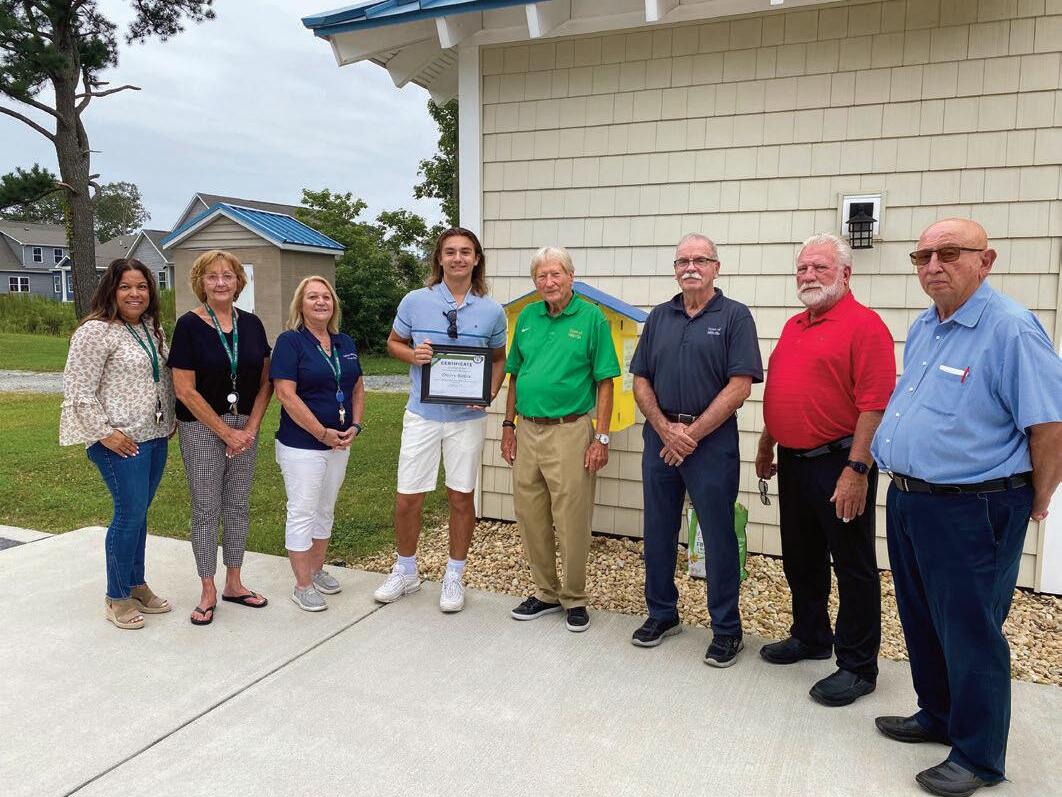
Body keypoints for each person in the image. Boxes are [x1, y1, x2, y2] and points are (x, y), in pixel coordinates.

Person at [871, 218, 1062, 797]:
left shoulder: (1011, 329)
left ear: (986, 260)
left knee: (971, 629)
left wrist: (1038, 497)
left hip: (974, 506)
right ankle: (938, 714)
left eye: (950, 253)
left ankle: (979, 757)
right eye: (923, 256)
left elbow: (1049, 427)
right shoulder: (926, 326)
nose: (934, 266)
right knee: (922, 617)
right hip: (910, 499)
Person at [755, 233, 895, 706]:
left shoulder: (865, 326)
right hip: (794, 463)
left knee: (853, 565)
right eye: (802, 268)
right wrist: (767, 443)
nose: (808, 276)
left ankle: (858, 666)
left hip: (841, 463)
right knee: (800, 556)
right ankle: (811, 635)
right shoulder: (794, 325)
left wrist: (857, 469)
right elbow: (784, 391)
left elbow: (875, 406)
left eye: (820, 267)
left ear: (846, 274)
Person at [629, 233, 762, 666]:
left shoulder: (735, 316)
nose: (691, 267)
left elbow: (739, 386)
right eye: (683, 260)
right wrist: (665, 429)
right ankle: (662, 614)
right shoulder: (659, 316)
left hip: (712, 442)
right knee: (658, 530)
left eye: (700, 260)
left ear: (715, 267)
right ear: (675, 269)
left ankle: (726, 630)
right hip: (661, 437)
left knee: (717, 534)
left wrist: (691, 435)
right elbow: (641, 379)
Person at [374, 228, 507, 613]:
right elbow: (393, 342)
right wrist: (411, 355)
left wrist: (488, 393)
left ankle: (454, 574)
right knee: (408, 496)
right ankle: (406, 570)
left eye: (466, 252)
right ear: (439, 258)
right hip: (422, 414)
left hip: (466, 419)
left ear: (476, 259)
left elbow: (499, 359)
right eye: (450, 252)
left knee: (461, 496)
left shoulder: (491, 310)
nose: (458, 258)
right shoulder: (416, 301)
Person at [502, 246, 620, 632]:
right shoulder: (527, 317)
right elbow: (515, 376)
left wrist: (601, 438)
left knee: (571, 516)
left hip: (570, 429)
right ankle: (546, 592)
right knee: (530, 513)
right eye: (542, 276)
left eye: (556, 274)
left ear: (571, 276)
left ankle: (574, 597)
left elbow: (606, 381)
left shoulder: (591, 318)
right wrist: (507, 426)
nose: (549, 282)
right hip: (527, 429)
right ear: (534, 281)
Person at [59, 259, 176, 630]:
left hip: (154, 435)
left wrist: (169, 419)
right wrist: (104, 433)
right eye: (126, 286)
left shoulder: (151, 327)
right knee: (129, 514)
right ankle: (116, 596)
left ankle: (136, 583)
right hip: (119, 441)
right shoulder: (94, 332)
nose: (134, 294)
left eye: (141, 286)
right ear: (111, 290)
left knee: (140, 514)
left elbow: (161, 378)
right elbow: (78, 390)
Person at [168, 250, 274, 626]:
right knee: (206, 508)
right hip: (202, 427)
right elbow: (184, 389)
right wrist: (225, 431)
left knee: (237, 506)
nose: (220, 283)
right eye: (212, 276)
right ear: (201, 283)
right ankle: (208, 588)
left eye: (227, 276)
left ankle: (234, 581)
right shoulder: (188, 325)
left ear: (238, 282)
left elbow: (266, 382)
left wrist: (250, 429)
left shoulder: (253, 324)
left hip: (245, 427)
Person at [271, 276, 365, 612]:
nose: (321, 302)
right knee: (302, 511)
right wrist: (321, 432)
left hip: (339, 443)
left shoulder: (343, 342)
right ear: (301, 304)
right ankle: (302, 585)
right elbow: (285, 394)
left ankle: (316, 569)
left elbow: (357, 387)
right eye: (313, 297)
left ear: (333, 304)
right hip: (302, 445)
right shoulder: (290, 342)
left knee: (325, 509)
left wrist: (355, 425)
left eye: (326, 296)